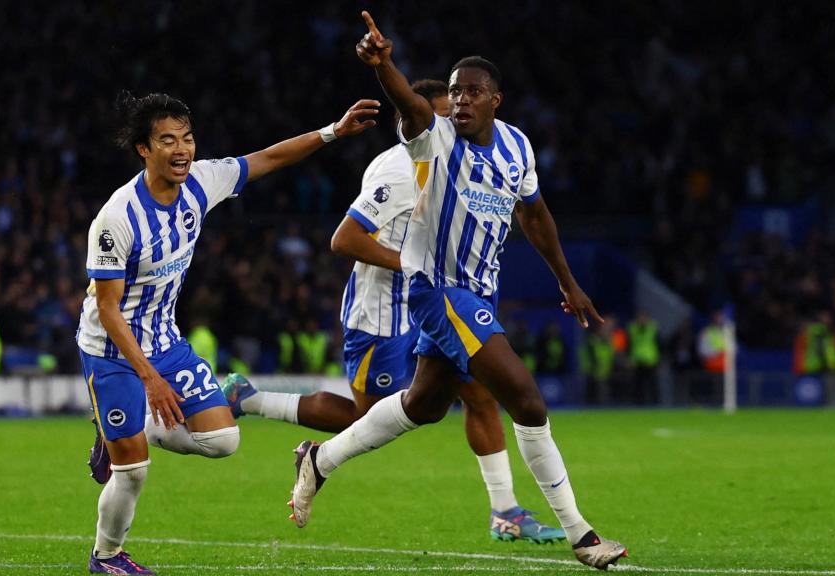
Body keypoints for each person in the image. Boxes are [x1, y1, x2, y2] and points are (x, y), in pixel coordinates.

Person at [287, 12, 627, 571]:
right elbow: (414, 107)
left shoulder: (518, 148)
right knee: (527, 400)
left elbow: (535, 215)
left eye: (473, 92)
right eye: (454, 92)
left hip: (479, 293)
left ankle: (320, 461)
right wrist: (385, 66)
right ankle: (582, 535)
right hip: (438, 290)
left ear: (497, 99)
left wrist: (568, 282)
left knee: (423, 405)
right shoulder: (434, 140)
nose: (461, 101)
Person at [223, 80, 565, 544]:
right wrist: (414, 264)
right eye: (445, 117)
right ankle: (251, 401)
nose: (455, 126)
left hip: (439, 304)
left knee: (480, 392)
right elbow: (344, 239)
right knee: (365, 419)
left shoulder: (462, 163)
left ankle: (505, 510)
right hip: (381, 313)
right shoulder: (400, 170)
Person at [77, 91, 379, 575]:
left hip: (165, 341)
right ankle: (107, 557)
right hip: (112, 351)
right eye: (167, 141)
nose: (182, 150)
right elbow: (109, 310)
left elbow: (269, 158)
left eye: (188, 138)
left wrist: (333, 132)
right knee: (131, 474)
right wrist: (150, 379)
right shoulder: (117, 218)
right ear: (143, 149)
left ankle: (128, 431)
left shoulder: (202, 181)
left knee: (223, 441)